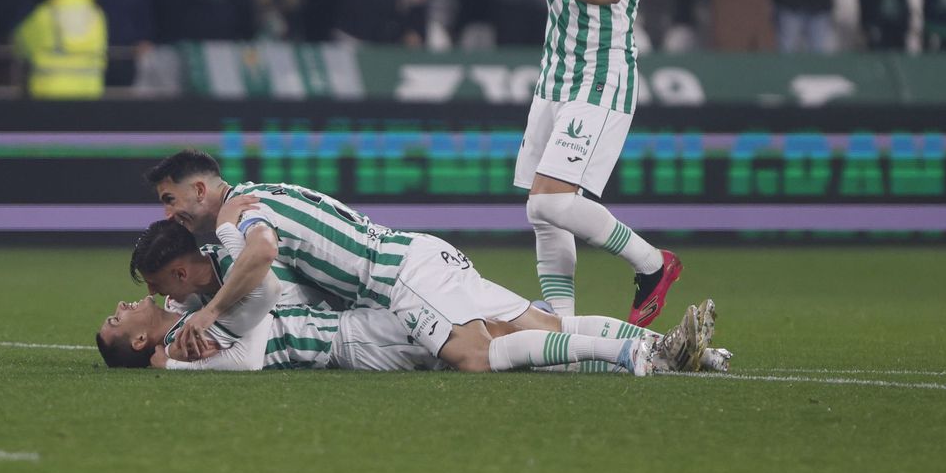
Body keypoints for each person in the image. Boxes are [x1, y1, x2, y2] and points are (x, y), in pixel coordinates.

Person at [403, 0, 680, 327]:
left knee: (551, 203)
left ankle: (653, 264)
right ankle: (562, 328)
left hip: (601, 76)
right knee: (540, 210)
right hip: (554, 78)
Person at [144, 150, 675, 375]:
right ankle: (681, 353)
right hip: (417, 256)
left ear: (199, 189)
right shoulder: (261, 193)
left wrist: (209, 312)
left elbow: (262, 254)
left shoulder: (240, 211)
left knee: (474, 355)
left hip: (400, 278)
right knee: (542, 325)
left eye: (170, 199)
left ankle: (625, 352)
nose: (169, 213)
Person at [108, 219, 719, 375]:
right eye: (119, 318)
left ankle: (647, 351)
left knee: (494, 343)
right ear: (139, 339)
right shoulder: (190, 332)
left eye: (149, 286)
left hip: (380, 301)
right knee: (518, 328)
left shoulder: (210, 299)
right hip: (369, 317)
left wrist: (196, 326)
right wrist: (170, 350)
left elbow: (263, 291)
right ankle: (668, 351)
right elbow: (232, 325)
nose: (130, 301)